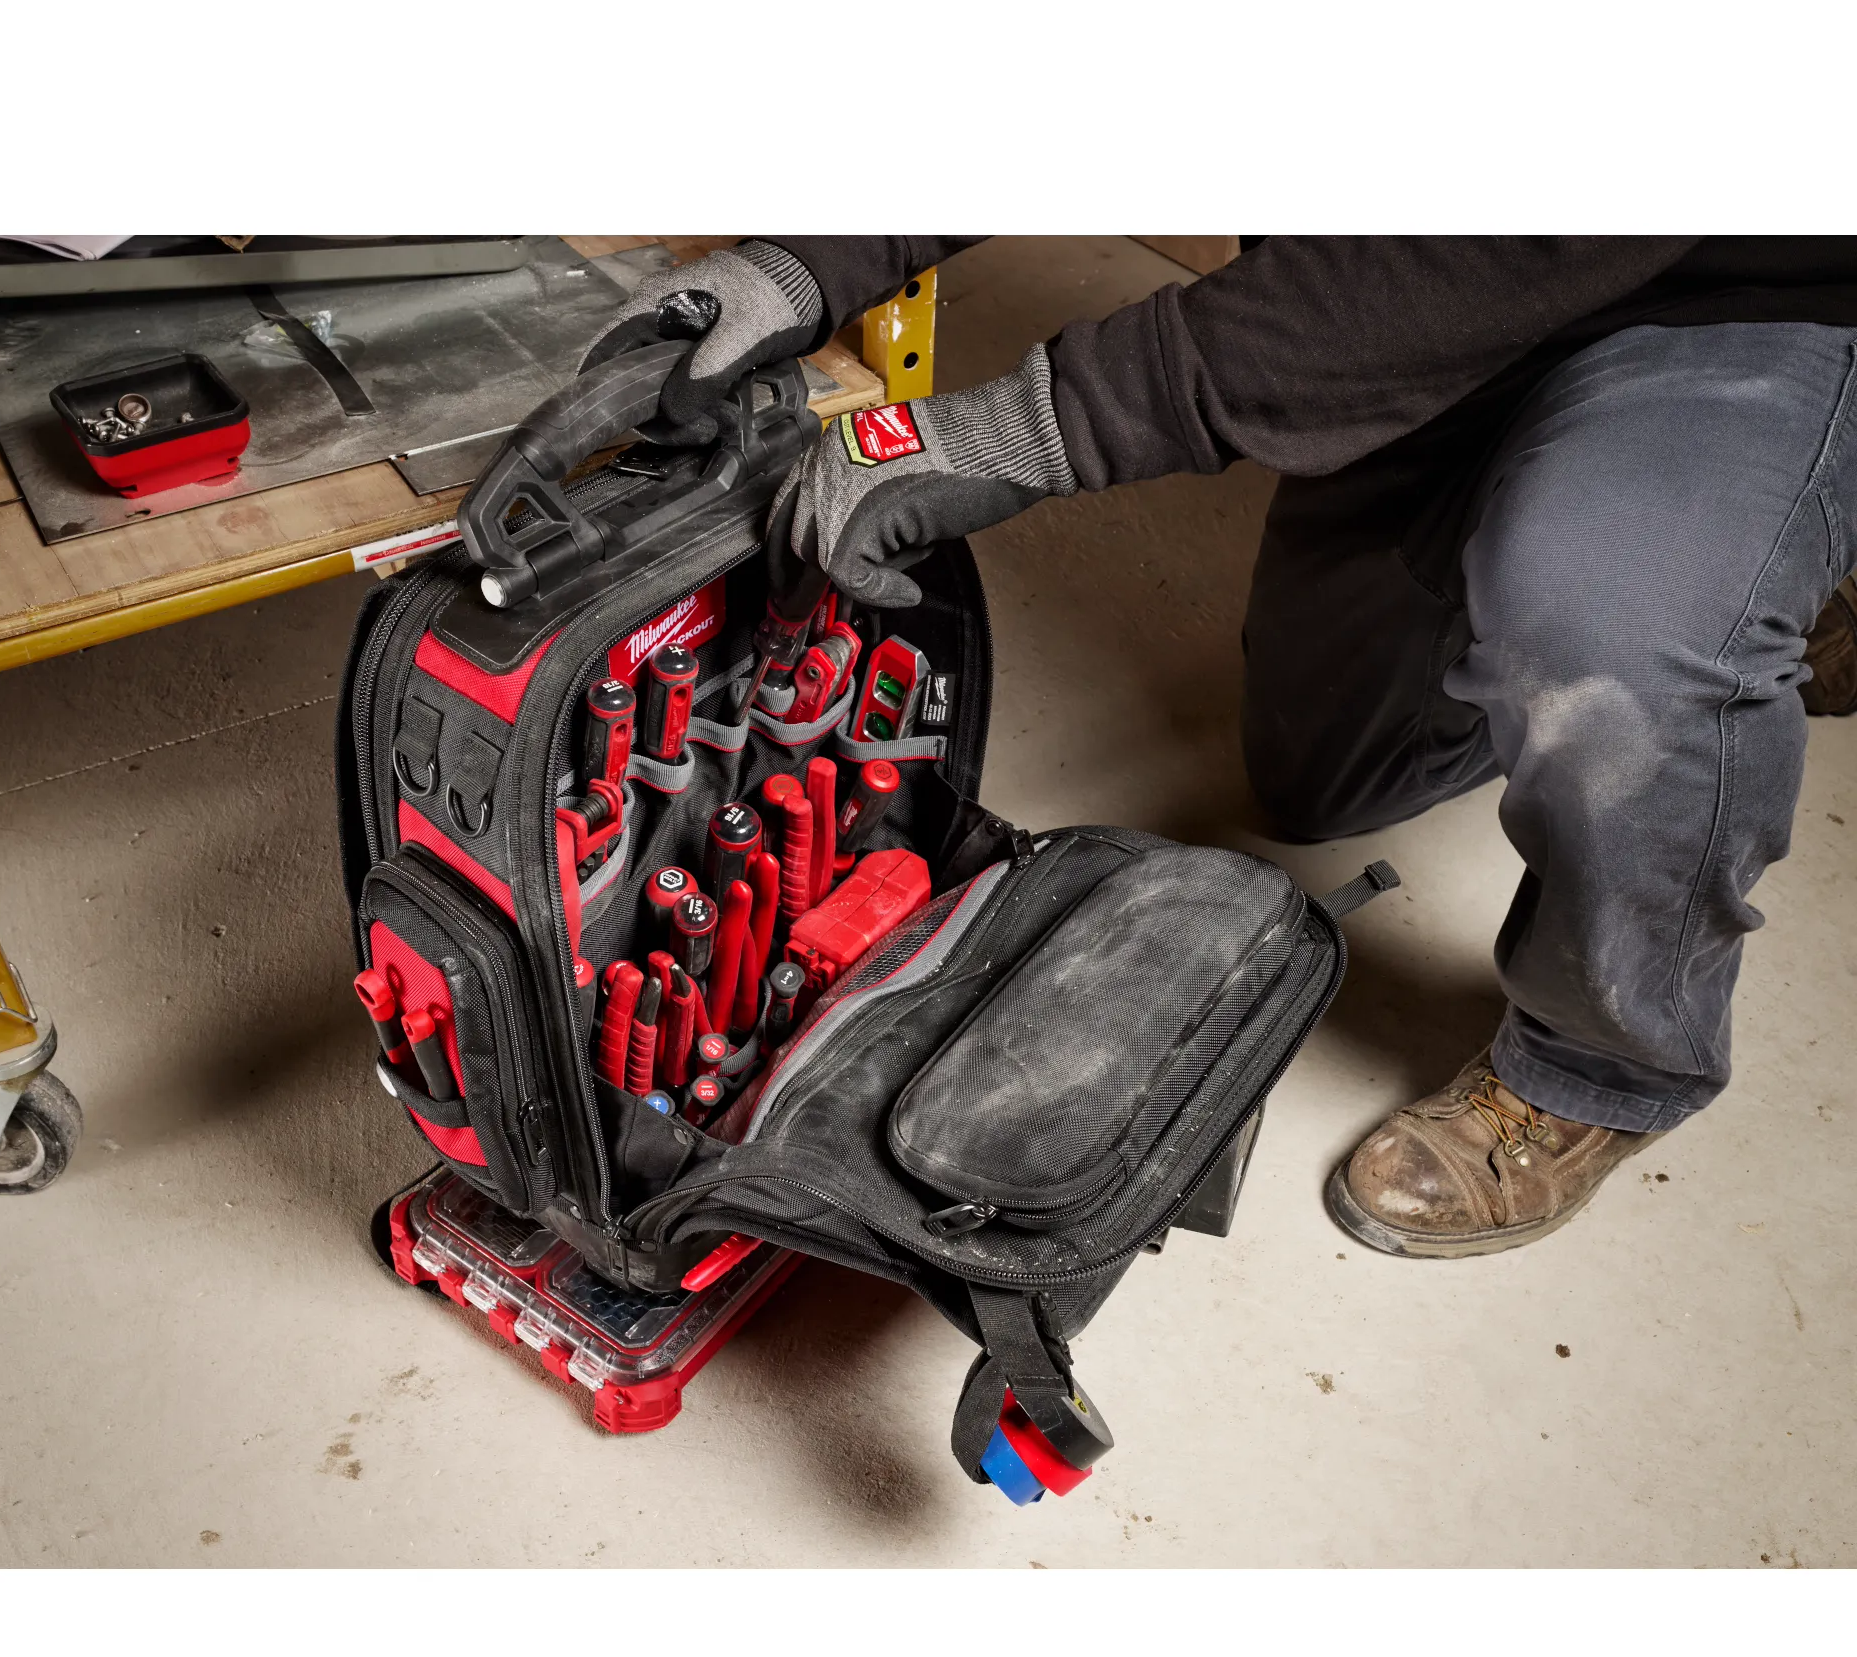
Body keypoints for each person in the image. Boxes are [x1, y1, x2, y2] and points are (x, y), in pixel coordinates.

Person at [583, 237, 1857, 1258]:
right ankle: (1635, 548)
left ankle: (1605, 1063)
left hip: (1729, 300)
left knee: (1605, 638)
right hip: (1408, 284)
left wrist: (1031, 429)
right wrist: (806, 262)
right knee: (1321, 781)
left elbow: (1498, 241)